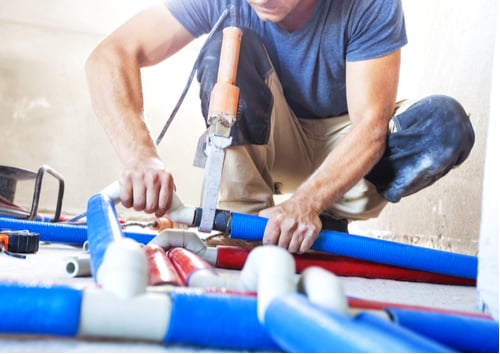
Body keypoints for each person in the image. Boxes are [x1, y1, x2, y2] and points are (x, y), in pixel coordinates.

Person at [85, 0, 475, 254]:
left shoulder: (369, 4)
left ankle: (324, 210)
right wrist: (141, 155)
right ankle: (244, 228)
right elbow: (111, 55)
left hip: (348, 148)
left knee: (444, 126)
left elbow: (371, 126)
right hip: (274, 138)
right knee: (229, 47)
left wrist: (306, 203)